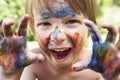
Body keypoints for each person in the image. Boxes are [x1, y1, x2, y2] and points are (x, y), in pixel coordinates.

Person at [0, 0, 119, 80]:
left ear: (90, 27)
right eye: (45, 23)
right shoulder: (33, 63)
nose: (57, 37)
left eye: (71, 21)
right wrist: (9, 75)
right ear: (34, 28)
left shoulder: (99, 65)